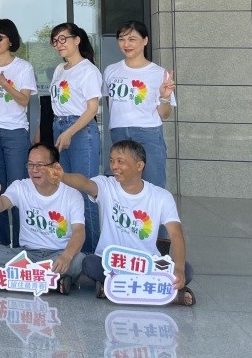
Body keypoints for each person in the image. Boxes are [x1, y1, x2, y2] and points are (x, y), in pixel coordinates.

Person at [54, 138, 195, 306]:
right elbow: (85, 183)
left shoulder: (161, 196)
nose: (114, 166)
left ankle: (112, 285)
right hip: (111, 262)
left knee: (186, 270)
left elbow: (176, 234)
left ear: (139, 165)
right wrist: (62, 176)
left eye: (120, 161)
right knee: (90, 264)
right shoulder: (106, 185)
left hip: (146, 263)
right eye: (112, 161)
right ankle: (159, 289)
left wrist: (178, 268)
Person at [0, 142, 86, 294]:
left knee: (79, 260)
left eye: (40, 165)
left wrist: (66, 256)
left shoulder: (72, 194)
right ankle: (52, 280)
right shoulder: (20, 187)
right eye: (30, 165)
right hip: (27, 254)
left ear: (55, 167)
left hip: (58, 254)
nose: (34, 170)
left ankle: (21, 276)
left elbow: (79, 232)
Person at [0, 18, 37, 247]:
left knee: (17, 186)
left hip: (15, 131)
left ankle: (21, 243)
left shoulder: (23, 67)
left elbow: (23, 101)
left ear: (10, 41)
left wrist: (4, 83)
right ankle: (2, 244)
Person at [48, 22, 103, 253]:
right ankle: (74, 250)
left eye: (63, 39)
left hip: (80, 131)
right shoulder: (60, 69)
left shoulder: (88, 70)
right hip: (60, 126)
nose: (59, 44)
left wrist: (70, 132)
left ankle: (92, 254)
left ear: (77, 39)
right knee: (66, 187)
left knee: (85, 190)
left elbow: (92, 108)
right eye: (55, 41)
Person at [104, 20, 176, 190]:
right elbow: (110, 103)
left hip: (148, 132)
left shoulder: (159, 73)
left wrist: (165, 97)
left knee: (153, 183)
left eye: (132, 39)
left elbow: (165, 114)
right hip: (119, 132)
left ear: (145, 40)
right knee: (123, 183)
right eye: (121, 39)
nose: (126, 44)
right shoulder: (111, 70)